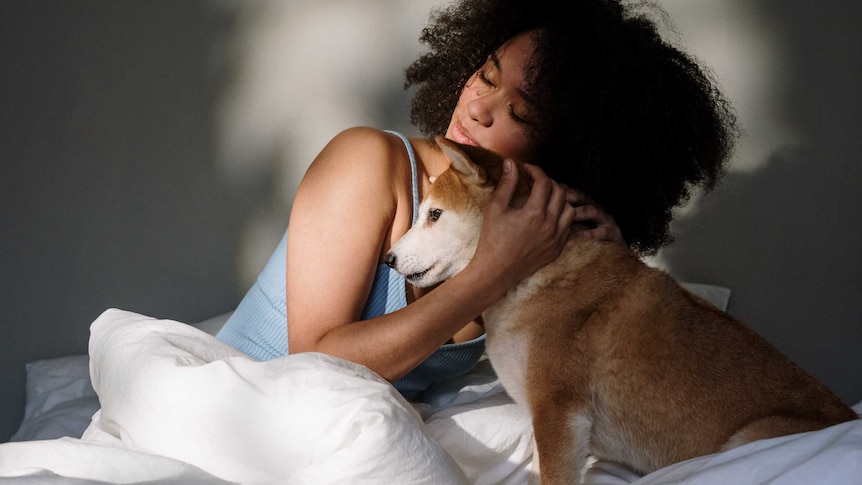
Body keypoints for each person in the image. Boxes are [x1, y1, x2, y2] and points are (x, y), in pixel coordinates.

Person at [216, 0, 738, 402]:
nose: (479, 109)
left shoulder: (538, 243)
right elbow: (314, 367)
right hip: (246, 413)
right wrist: (488, 274)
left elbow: (599, 386)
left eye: (520, 114)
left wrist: (605, 270)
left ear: (568, 155)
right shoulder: (369, 162)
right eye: (485, 76)